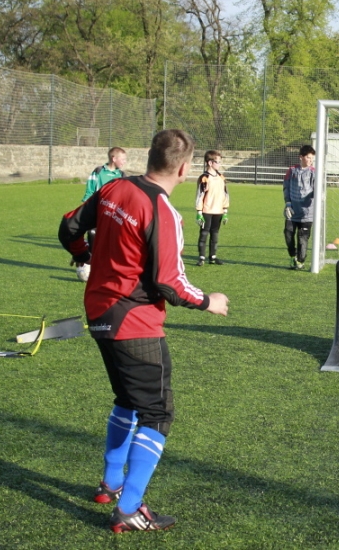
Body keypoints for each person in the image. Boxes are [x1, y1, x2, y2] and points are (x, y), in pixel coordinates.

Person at [59, 129, 229, 534]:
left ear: (150, 156)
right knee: (157, 412)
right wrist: (209, 301)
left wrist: (85, 256)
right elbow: (170, 283)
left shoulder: (113, 188)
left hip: (99, 310)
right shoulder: (162, 210)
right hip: (133, 321)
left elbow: (68, 228)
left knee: (127, 399)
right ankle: (128, 507)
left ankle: (110, 483)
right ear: (185, 169)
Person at [82, 147, 127, 251]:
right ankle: (90, 259)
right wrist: (86, 205)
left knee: (112, 237)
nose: (124, 162)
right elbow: (90, 189)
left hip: (114, 212)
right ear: (114, 158)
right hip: (98, 209)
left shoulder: (122, 175)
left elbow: (125, 194)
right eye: (123, 159)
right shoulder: (98, 171)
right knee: (92, 233)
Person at [283, 144, 316, 270]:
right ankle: (293, 256)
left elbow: (317, 190)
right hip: (292, 211)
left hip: (307, 212)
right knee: (288, 234)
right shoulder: (291, 171)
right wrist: (288, 204)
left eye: (312, 158)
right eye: (308, 157)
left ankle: (300, 261)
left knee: (302, 239)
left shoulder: (314, 172)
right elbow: (286, 188)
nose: (311, 160)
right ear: (301, 157)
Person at [194, 150, 229, 266]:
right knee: (204, 233)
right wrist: (199, 212)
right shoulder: (204, 178)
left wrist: (225, 211)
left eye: (220, 162)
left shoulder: (221, 177)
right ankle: (201, 258)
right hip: (206, 211)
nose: (219, 164)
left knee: (215, 234)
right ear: (210, 163)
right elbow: (200, 195)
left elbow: (225, 194)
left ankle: (213, 257)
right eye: (217, 162)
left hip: (218, 211)